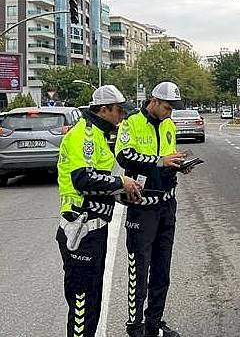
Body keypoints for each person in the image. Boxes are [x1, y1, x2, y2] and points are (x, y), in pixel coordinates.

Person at [57, 85, 143, 337]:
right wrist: (121, 183)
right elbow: (82, 179)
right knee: (82, 304)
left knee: (93, 298)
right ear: (103, 109)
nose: (122, 116)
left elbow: (101, 178)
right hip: (81, 230)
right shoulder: (83, 136)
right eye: (118, 111)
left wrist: (123, 191)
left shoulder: (98, 136)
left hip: (95, 229)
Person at [115, 81, 187, 337]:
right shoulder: (132, 122)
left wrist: (176, 163)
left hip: (167, 205)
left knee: (161, 271)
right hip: (142, 207)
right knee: (139, 269)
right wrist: (159, 161)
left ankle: (154, 324)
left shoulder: (169, 124)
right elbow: (124, 156)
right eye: (167, 107)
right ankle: (135, 327)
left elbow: (169, 155)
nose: (170, 112)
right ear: (153, 102)